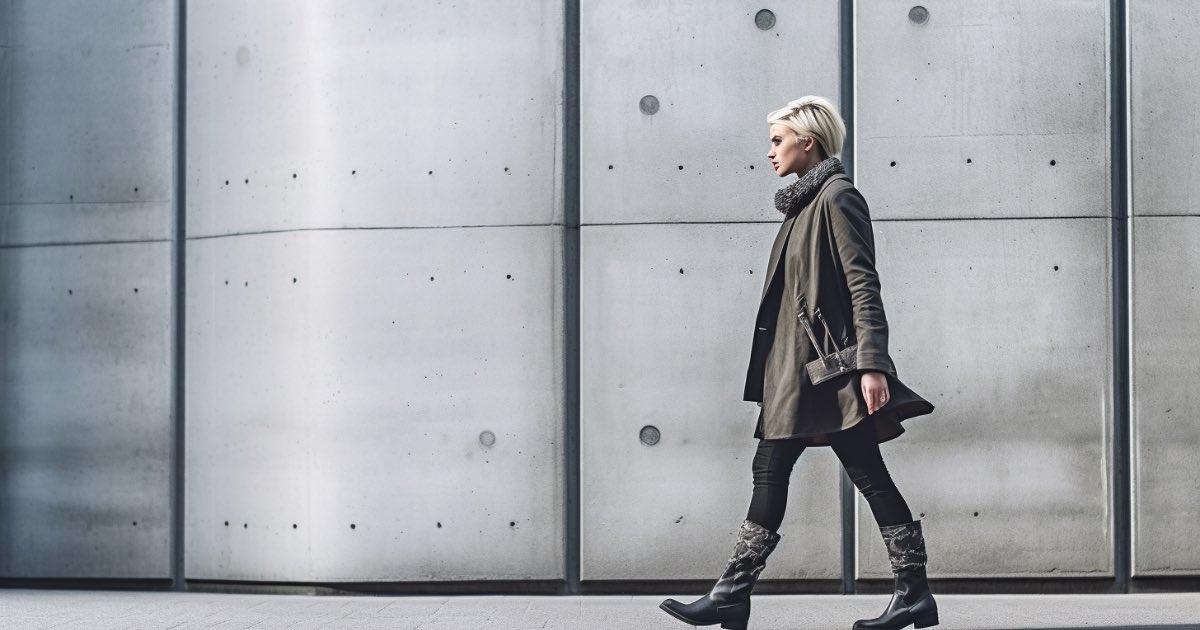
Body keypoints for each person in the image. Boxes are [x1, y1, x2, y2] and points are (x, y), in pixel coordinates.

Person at [659, 96, 939, 630]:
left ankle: (733, 594)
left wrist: (872, 364)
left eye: (777, 140)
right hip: (796, 372)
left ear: (806, 142)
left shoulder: (837, 199)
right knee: (851, 472)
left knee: (811, 472)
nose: (769, 152)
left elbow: (864, 285)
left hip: (823, 376)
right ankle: (910, 595)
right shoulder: (802, 204)